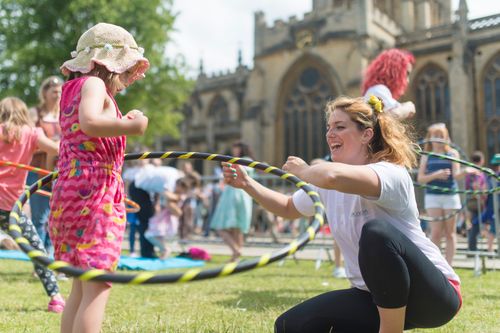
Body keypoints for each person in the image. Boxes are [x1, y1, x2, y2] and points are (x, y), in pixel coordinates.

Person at [223, 96, 461, 332]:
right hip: (373, 296)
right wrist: (247, 185)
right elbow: (287, 207)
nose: (329, 134)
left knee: (376, 233)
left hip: (433, 297)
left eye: (339, 127)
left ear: (366, 134)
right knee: (289, 326)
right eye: (328, 128)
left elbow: (332, 176)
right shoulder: (325, 181)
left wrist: (305, 170)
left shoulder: (390, 173)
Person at [48, 23, 149, 333]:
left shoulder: (71, 90)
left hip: (71, 189)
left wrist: (121, 118)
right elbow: (90, 123)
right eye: (126, 70)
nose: (128, 79)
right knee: (98, 283)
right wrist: (132, 127)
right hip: (94, 193)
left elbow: (87, 127)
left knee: (82, 284)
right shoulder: (94, 84)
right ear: (109, 64)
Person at [0, 96, 65, 313]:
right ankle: (55, 298)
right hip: (12, 208)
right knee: (37, 249)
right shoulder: (32, 133)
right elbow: (56, 149)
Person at [417, 123, 472, 265]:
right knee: (435, 232)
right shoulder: (426, 156)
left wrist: (466, 171)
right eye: (436, 135)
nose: (439, 138)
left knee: (450, 232)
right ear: (430, 138)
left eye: (442, 135)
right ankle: (436, 265)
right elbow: (421, 179)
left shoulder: (453, 153)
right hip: (433, 196)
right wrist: (436, 175)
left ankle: (449, 265)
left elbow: (456, 175)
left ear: (446, 137)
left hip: (450, 196)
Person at [26, 75, 63, 255]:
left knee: (55, 218)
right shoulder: (35, 114)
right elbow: (27, 141)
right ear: (45, 92)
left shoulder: (65, 113)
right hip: (38, 171)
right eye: (53, 91)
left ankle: (50, 256)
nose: (57, 94)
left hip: (61, 172)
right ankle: (39, 261)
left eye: (59, 91)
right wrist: (51, 145)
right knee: (39, 218)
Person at [210, 141, 255, 262]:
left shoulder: (244, 160)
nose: (234, 150)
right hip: (239, 194)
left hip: (235, 194)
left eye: (236, 147)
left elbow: (242, 173)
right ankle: (236, 255)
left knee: (225, 226)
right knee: (236, 227)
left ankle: (236, 251)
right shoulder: (242, 160)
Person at [310, 158, 347, 279]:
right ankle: (339, 267)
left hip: (348, 215)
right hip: (336, 217)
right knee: (338, 238)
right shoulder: (318, 186)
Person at [361, 48, 416, 120]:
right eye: (406, 74)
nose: (408, 80)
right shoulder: (378, 90)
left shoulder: (378, 90)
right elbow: (387, 118)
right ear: (395, 72)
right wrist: (408, 108)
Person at [145, 177, 190, 258]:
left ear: (182, 187)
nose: (176, 187)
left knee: (149, 234)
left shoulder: (180, 196)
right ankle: (164, 251)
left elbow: (169, 197)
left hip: (166, 219)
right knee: (157, 236)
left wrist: (163, 190)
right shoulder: (176, 194)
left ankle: (165, 249)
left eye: (178, 185)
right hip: (163, 218)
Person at [464, 151, 488, 252]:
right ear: (481, 160)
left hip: (473, 201)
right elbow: (475, 186)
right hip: (475, 202)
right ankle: (472, 248)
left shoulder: (471, 171)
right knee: (476, 224)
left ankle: (472, 247)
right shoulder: (475, 172)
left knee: (475, 224)